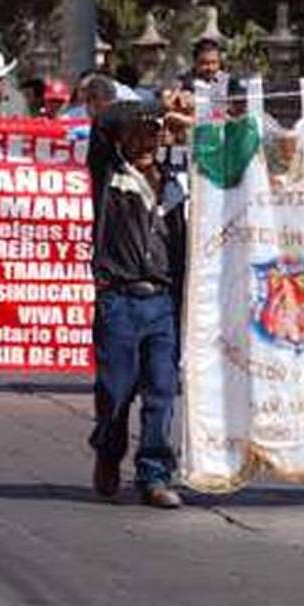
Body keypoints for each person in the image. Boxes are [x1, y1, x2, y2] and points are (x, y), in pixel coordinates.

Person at [87, 100, 188, 508]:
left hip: (162, 302)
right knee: (116, 391)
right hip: (119, 301)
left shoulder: (175, 185)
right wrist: (162, 104)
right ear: (123, 138)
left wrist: (187, 119)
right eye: (138, 132)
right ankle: (108, 452)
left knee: (162, 391)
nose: (146, 140)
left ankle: (154, 474)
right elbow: (102, 122)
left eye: (154, 132)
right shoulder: (109, 174)